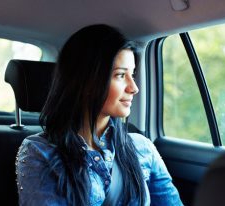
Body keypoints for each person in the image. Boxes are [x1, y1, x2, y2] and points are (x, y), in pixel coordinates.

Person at [15, 24, 183, 206]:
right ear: (87, 80)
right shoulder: (39, 152)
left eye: (132, 74)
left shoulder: (142, 148)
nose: (134, 88)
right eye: (120, 75)